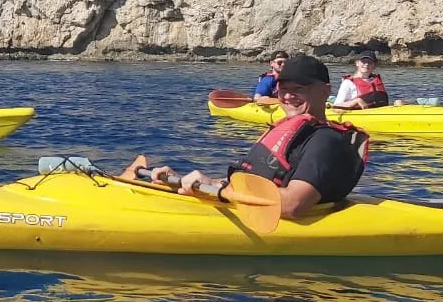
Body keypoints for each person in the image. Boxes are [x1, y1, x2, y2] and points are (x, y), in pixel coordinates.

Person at [123, 53, 367, 220]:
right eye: (283, 90)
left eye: (299, 90)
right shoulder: (289, 130)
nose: (289, 97)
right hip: (247, 207)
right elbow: (253, 181)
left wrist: (216, 190)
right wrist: (184, 181)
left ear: (325, 91)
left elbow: (292, 205)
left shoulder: (325, 142)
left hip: (283, 229)